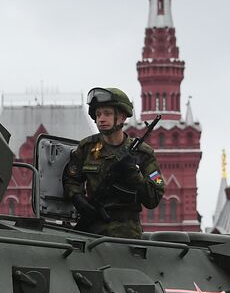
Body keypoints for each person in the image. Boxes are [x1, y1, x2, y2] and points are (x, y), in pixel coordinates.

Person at [62, 87, 164, 240]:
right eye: (98, 114)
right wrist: (79, 200)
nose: (101, 119)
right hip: (91, 231)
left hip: (127, 235)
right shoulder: (86, 148)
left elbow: (154, 198)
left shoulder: (143, 154)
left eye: (107, 114)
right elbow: (70, 179)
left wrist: (133, 174)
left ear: (122, 117)